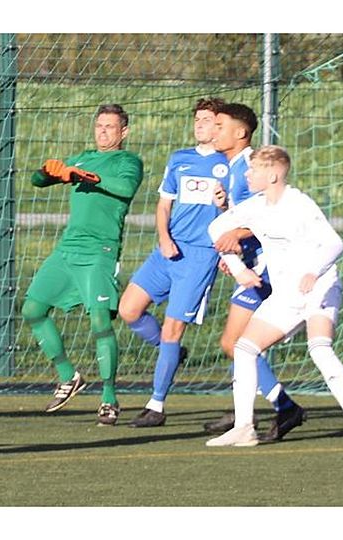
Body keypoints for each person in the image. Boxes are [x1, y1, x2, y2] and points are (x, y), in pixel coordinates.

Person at [205, 145, 343, 449]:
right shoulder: (255, 206)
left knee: (319, 349)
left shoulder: (299, 204)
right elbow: (217, 226)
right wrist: (239, 269)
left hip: (320, 286)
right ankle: (244, 428)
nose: (247, 173)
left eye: (253, 168)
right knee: (244, 348)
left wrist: (312, 271)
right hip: (286, 294)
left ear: (273, 174)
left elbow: (335, 244)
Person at [21, 103, 143, 426]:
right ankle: (68, 376)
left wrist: (82, 174)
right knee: (32, 309)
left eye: (110, 127)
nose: (103, 132)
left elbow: (125, 188)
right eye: (99, 126)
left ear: (124, 132)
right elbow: (36, 180)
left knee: (100, 319)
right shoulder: (82, 157)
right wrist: (48, 172)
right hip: (68, 249)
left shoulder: (127, 162)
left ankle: (109, 398)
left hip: (100, 251)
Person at [119, 97, 229, 428]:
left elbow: (237, 215)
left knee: (172, 328)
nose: (199, 124)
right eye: (197, 119)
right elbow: (164, 205)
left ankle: (156, 405)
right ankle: (173, 354)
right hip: (167, 250)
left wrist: (224, 207)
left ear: (220, 126)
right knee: (128, 310)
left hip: (199, 256)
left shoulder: (228, 163)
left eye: (207, 120)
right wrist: (164, 238)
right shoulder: (179, 159)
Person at [201, 103, 307, 442]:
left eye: (219, 125)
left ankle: (272, 409)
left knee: (236, 343)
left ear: (240, 132)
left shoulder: (249, 166)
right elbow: (243, 216)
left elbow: (267, 216)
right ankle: (266, 408)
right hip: (250, 263)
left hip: (265, 268)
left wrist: (237, 235)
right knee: (237, 344)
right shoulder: (234, 167)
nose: (212, 131)